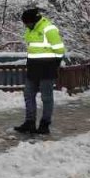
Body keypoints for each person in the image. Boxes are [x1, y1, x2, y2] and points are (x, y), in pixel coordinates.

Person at [15, 8, 65, 136]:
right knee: (28, 95)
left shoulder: (49, 29)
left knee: (46, 98)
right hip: (33, 68)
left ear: (33, 21)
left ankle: (45, 124)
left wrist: (55, 65)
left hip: (47, 68)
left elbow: (59, 50)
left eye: (26, 23)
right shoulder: (30, 29)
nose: (25, 25)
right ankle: (30, 122)